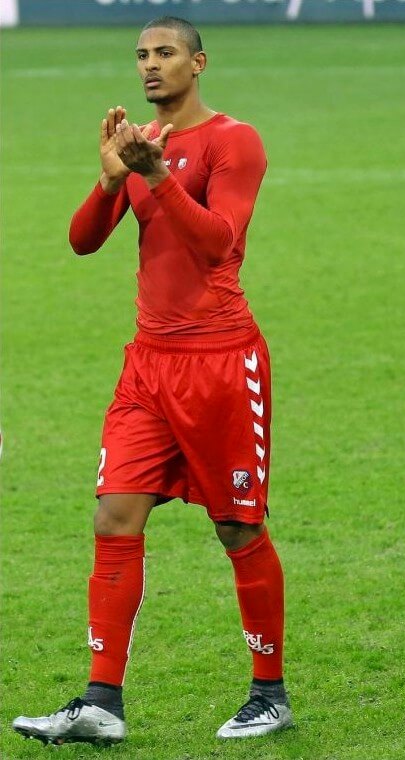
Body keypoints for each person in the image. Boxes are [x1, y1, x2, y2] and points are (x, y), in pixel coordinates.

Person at [12, 16, 292, 747]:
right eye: (140, 54)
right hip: (148, 366)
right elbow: (81, 241)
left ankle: (270, 693)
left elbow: (215, 243)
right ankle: (102, 702)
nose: (149, 65)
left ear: (198, 62)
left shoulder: (234, 140)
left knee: (236, 526)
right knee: (113, 517)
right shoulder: (139, 144)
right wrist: (111, 180)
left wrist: (156, 175)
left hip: (222, 363)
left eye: (164, 53)